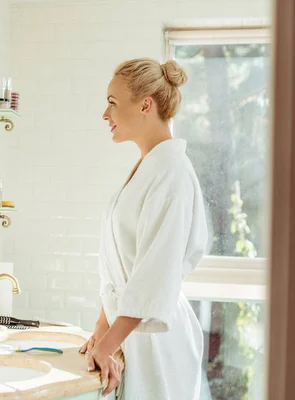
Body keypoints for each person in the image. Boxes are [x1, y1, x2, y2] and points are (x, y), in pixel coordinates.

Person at [79, 58, 208, 399]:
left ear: (145, 105)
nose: (105, 115)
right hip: (133, 332)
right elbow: (122, 265)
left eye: (112, 103)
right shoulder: (150, 167)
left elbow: (154, 272)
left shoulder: (172, 173)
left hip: (159, 340)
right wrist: (101, 329)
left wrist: (108, 343)